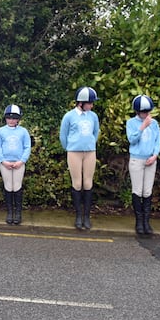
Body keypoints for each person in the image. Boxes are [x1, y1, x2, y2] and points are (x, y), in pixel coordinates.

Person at [60, 87, 100, 230]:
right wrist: (70, 147)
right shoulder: (69, 116)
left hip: (90, 152)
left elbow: (96, 132)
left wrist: (89, 143)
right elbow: (63, 136)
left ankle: (87, 216)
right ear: (81, 103)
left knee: (88, 183)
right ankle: (78, 216)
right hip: (74, 152)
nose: (92, 105)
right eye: (90, 103)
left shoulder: (93, 116)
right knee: (77, 183)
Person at [126, 95, 160, 235]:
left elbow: (157, 141)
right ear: (137, 112)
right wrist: (142, 127)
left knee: (147, 191)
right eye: (143, 112)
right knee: (137, 190)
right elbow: (132, 140)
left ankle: (146, 221)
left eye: (148, 111)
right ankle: (138, 221)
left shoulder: (155, 124)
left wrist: (155, 155)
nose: (146, 114)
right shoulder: (131, 123)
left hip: (150, 160)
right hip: (136, 159)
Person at [0, 104, 32, 225]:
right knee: (8, 186)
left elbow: (27, 147)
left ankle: (18, 212)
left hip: (19, 163)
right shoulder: (1, 131)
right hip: (5, 163)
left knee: (17, 186)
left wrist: (22, 161)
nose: (11, 120)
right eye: (9, 118)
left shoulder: (23, 131)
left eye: (14, 118)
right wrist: (3, 160)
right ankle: (10, 211)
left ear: (18, 119)